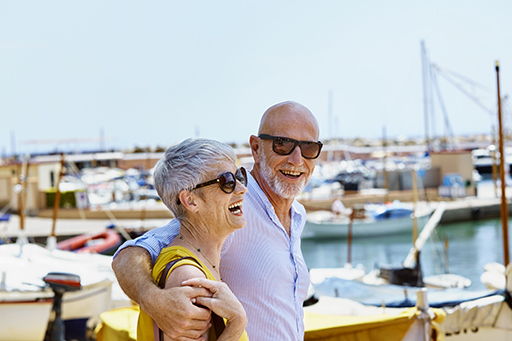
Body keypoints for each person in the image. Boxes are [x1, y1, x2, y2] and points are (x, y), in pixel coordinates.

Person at [113, 101, 322, 340]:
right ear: (255, 148)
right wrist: (152, 299)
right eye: (282, 144)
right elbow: (131, 253)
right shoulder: (229, 209)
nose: (297, 159)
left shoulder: (298, 215)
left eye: (309, 148)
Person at [137, 138, 249, 341]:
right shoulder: (188, 277)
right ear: (190, 200)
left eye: (240, 176)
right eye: (227, 181)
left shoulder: (197, 262)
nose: (242, 188)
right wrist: (237, 323)